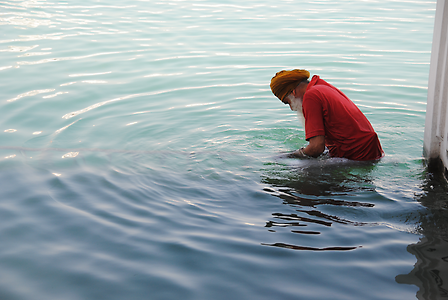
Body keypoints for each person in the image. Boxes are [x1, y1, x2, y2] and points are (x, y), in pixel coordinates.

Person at [270, 69, 384, 161]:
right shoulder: (321, 86)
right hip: (370, 150)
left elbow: (316, 148)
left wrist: (290, 155)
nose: (292, 108)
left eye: (288, 102)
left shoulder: (310, 96)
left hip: (357, 156)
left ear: (293, 92)